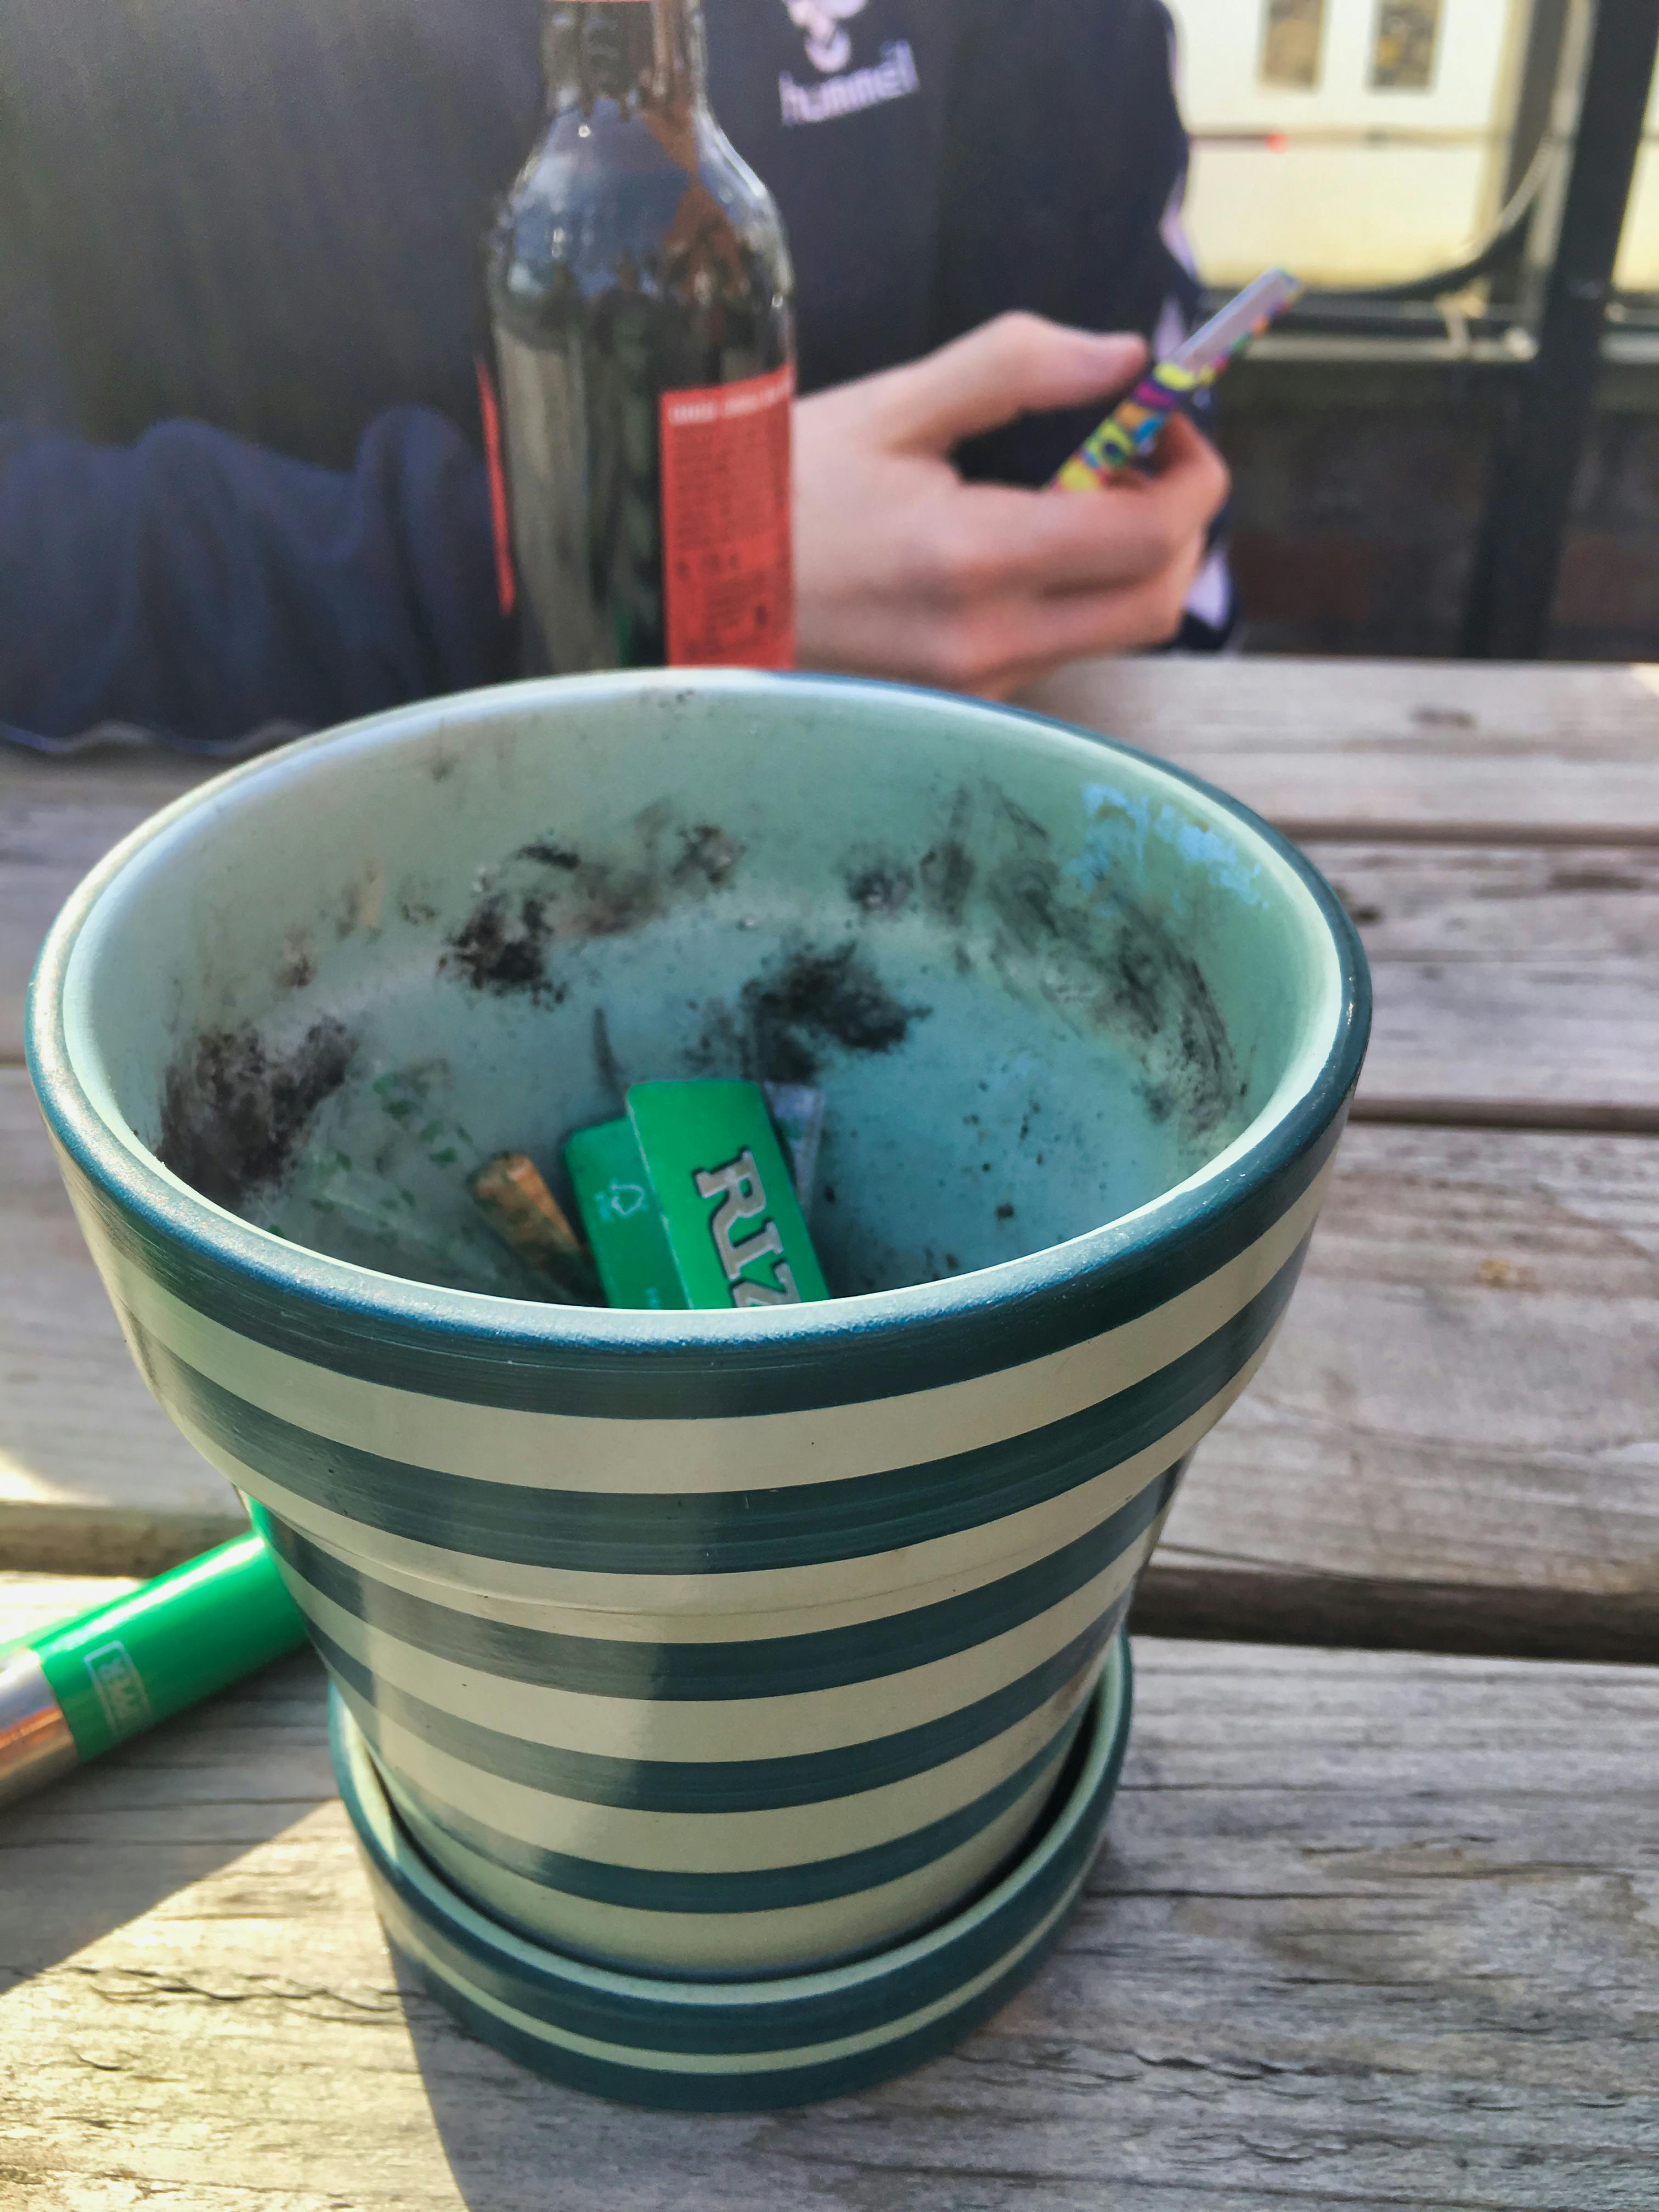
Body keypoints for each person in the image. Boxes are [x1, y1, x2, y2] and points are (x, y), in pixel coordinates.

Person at [0, 0, 1229, 752]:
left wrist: (1066, 558)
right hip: (264, 813)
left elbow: (1110, 452)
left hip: (912, 784)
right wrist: (583, 581)